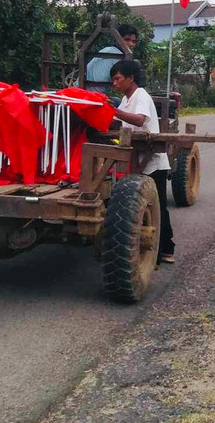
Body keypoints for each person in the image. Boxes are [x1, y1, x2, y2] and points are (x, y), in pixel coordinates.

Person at [109, 59, 175, 266]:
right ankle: (153, 251)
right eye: (113, 79)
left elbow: (138, 120)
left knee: (157, 207)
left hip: (152, 161)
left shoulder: (141, 96)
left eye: (118, 78)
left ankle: (166, 250)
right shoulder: (126, 99)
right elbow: (120, 122)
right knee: (141, 206)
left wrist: (113, 111)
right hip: (137, 160)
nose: (114, 83)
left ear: (130, 78)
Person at [86, 24, 138, 94]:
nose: (131, 44)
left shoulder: (108, 50)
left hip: (82, 91)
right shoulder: (118, 55)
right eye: (127, 40)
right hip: (94, 95)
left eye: (133, 41)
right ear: (118, 40)